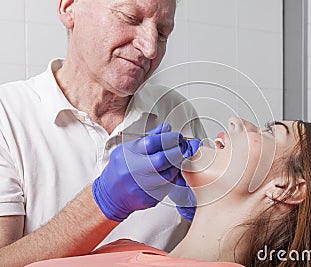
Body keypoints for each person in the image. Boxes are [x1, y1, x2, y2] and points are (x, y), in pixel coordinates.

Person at [0, 0, 207, 266]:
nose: (150, 47)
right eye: (130, 18)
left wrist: (203, 215)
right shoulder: (7, 116)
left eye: (163, 33)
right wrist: (102, 204)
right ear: (68, 7)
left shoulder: (176, 112)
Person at [27, 117, 311, 266]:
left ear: (286, 188)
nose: (235, 122)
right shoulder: (128, 249)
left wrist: (102, 203)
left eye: (271, 133)